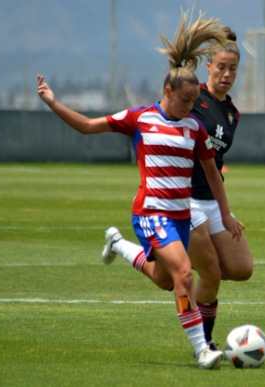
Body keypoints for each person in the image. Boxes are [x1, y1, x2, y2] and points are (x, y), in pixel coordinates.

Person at [37, 10, 244, 369]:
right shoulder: (140, 118)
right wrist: (54, 103)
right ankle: (202, 350)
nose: (189, 109)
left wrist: (225, 213)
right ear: (168, 92)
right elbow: (88, 125)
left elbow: (212, 171)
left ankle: (117, 244)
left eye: (194, 104)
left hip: (179, 217)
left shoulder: (193, 128)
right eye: (184, 102)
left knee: (166, 280)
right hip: (150, 213)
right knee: (184, 274)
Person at [102, 27, 253, 351]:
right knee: (207, 273)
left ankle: (127, 248)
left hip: (212, 200)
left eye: (233, 69)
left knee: (240, 270)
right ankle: (205, 343)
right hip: (185, 202)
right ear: (207, 67)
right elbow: (163, 110)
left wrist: (225, 212)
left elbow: (216, 163)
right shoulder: (191, 99)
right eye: (221, 67)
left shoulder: (231, 112)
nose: (227, 74)